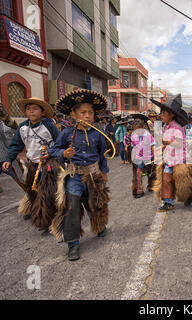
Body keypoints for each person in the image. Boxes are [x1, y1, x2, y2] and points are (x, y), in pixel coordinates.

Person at [49, 89, 110, 261]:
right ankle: (73, 244)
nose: (88, 116)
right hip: (74, 176)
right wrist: (64, 154)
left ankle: (99, 226)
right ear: (73, 114)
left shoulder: (98, 134)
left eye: (90, 113)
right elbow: (54, 149)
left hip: (93, 176)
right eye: (83, 112)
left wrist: (104, 172)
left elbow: (102, 155)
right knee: (72, 208)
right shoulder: (66, 133)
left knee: (95, 204)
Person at [2, 97, 60, 231]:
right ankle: (38, 212)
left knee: (46, 192)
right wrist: (8, 159)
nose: (31, 111)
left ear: (43, 112)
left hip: (49, 164)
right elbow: (15, 145)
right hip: (32, 165)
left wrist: (50, 152)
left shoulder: (49, 126)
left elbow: (60, 143)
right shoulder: (22, 128)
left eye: (35, 109)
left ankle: (46, 221)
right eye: (28, 109)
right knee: (33, 192)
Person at [150, 94, 192, 212]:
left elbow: (179, 143)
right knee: (166, 180)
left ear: (171, 115)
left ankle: (189, 194)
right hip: (168, 159)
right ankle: (168, 202)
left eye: (164, 113)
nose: (161, 115)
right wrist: (161, 147)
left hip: (179, 160)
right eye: (161, 113)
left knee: (183, 183)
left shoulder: (176, 127)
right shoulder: (166, 127)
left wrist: (166, 142)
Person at [130, 119, 155, 198]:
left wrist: (155, 156)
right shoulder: (133, 136)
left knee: (151, 174)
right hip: (138, 158)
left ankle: (151, 186)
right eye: (135, 129)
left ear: (143, 127)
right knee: (138, 174)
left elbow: (153, 145)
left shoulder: (148, 135)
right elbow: (133, 146)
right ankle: (139, 190)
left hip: (149, 157)